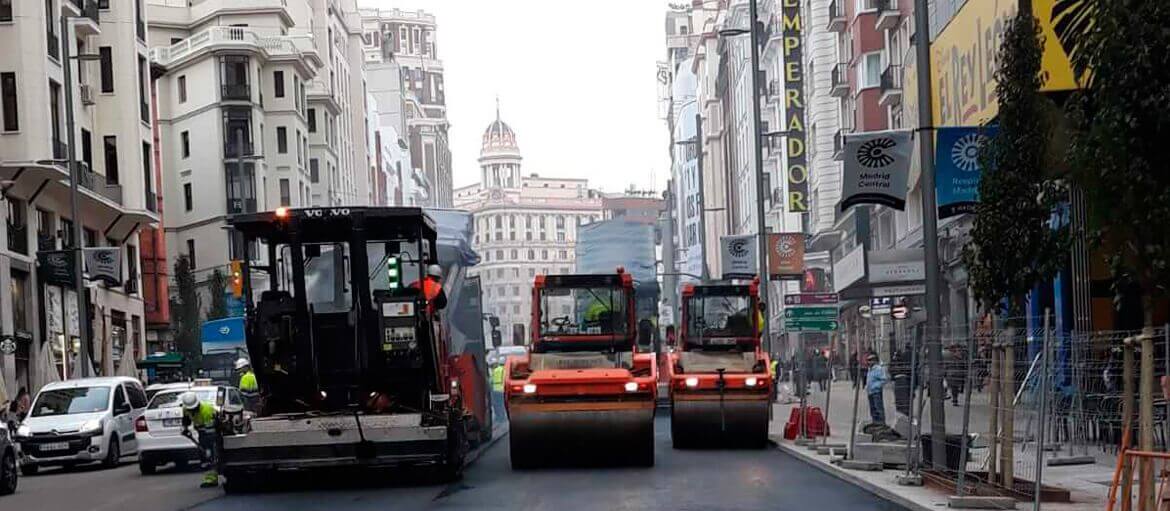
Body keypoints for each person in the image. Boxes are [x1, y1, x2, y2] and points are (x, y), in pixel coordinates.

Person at [180, 391, 222, 488]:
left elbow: (211, 432)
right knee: (204, 456)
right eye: (190, 409)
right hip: (202, 433)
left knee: (209, 454)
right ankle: (210, 476)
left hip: (213, 432)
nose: (191, 411)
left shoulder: (206, 411)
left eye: (193, 409)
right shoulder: (186, 408)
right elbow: (186, 419)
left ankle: (212, 478)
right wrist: (185, 428)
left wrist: (207, 446)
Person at [865, 354, 891, 425]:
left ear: (875, 361)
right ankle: (875, 422)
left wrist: (875, 386)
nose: (868, 362)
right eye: (868, 360)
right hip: (870, 392)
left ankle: (881, 423)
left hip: (876, 392)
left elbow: (884, 379)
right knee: (873, 409)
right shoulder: (870, 369)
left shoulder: (878, 369)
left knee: (878, 408)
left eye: (870, 360)